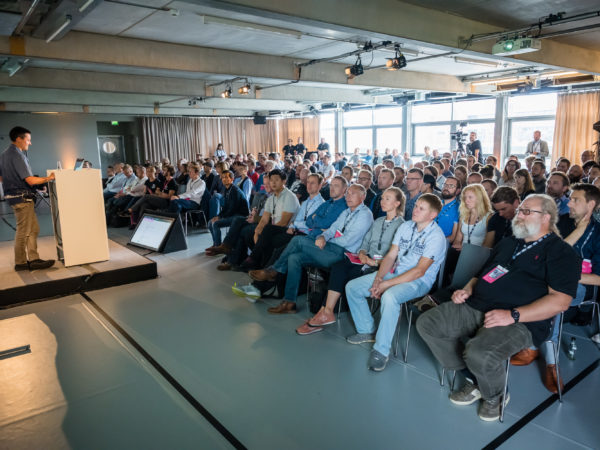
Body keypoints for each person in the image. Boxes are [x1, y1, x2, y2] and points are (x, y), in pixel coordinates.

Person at [416, 194, 579, 422]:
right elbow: (482, 273)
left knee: (479, 353)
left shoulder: (561, 253)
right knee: (428, 324)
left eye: (527, 211)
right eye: (520, 210)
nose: (519, 215)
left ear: (546, 217)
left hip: (521, 320)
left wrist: (513, 315)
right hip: (478, 304)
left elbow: (560, 301)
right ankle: (473, 378)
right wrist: (468, 289)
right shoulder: (509, 242)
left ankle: (495, 395)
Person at [345, 194, 446, 371]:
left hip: (418, 281)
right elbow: (391, 255)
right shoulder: (406, 226)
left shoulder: (436, 237)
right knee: (352, 287)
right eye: (416, 206)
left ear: (433, 215)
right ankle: (367, 330)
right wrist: (379, 278)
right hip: (395, 273)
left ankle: (381, 351)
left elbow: (419, 271)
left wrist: (385, 285)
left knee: (389, 297)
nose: (415, 210)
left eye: (421, 208)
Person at [249, 184, 373, 314]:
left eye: (353, 193)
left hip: (343, 254)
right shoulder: (346, 212)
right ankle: (289, 302)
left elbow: (348, 241)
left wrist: (326, 241)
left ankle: (275, 271)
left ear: (363, 197)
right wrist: (323, 236)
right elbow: (332, 229)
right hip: (330, 249)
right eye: (348, 193)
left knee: (298, 240)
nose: (348, 196)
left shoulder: (365, 215)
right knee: (294, 258)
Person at [296, 187, 405, 335]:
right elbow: (366, 242)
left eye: (387, 199)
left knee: (346, 274)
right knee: (339, 267)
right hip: (365, 259)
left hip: (381, 266)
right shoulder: (378, 220)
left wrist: (375, 263)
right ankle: (325, 312)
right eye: (382, 198)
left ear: (397, 203)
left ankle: (324, 313)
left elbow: (396, 256)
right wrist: (362, 253)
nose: (382, 201)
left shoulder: (402, 225)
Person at [0, 126, 55, 271]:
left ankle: (34, 259)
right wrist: (49, 178)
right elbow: (30, 180)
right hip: (22, 198)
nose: (30, 143)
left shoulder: (4, 154)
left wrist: (13, 182)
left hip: (15, 197)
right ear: (19, 139)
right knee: (23, 231)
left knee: (33, 229)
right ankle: (21, 262)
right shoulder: (17, 155)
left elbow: (1, 177)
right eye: (28, 140)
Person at [240, 169, 299, 269]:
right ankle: (258, 264)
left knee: (267, 235)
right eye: (271, 180)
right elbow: (264, 219)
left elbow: (283, 223)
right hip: (273, 229)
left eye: (277, 180)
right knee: (250, 233)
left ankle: (254, 260)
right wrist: (257, 232)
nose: (273, 183)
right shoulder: (271, 198)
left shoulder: (290, 197)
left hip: (287, 231)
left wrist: (264, 233)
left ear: (284, 181)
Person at [205, 170, 250, 248]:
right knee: (210, 223)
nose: (224, 179)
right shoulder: (226, 189)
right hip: (232, 214)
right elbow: (226, 207)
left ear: (232, 179)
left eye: (226, 177)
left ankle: (218, 247)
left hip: (240, 215)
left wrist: (220, 217)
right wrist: (218, 216)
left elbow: (232, 208)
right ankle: (215, 244)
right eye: (222, 177)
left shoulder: (235, 190)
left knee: (216, 224)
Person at [452, 184, 492, 250]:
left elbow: (487, 246)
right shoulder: (463, 215)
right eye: (465, 197)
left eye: (470, 197)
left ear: (479, 198)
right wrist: (456, 246)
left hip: (479, 254)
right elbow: (458, 238)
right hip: (462, 252)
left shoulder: (489, 217)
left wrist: (466, 249)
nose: (466, 201)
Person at [435, 176, 461, 241]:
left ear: (457, 191)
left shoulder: (459, 209)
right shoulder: (436, 203)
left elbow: (452, 237)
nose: (446, 187)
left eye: (451, 186)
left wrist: (435, 241)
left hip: (443, 242)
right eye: (445, 184)